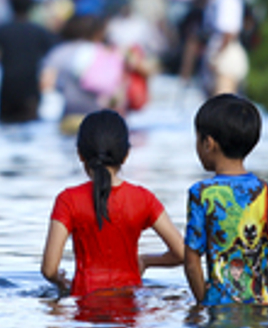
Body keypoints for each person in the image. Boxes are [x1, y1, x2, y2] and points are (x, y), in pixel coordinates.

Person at [184, 95, 268, 307]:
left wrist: (203, 304)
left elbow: (192, 261)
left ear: (208, 143)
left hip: (223, 309)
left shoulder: (202, 194)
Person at [41, 110, 184, 296]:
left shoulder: (68, 200)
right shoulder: (143, 198)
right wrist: (146, 261)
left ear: (80, 154)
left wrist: (60, 281)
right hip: (129, 304)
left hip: (84, 303)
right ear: (126, 155)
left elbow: (49, 269)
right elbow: (182, 253)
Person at [194, 0, 248, 96]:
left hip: (226, 52)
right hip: (220, 48)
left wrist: (217, 56)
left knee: (223, 99)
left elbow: (228, 31)